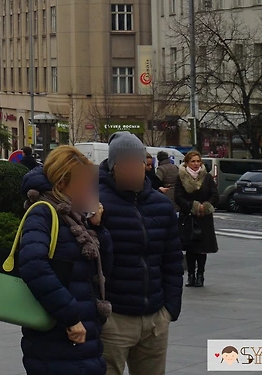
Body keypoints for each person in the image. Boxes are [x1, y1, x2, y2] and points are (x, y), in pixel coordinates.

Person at [16, 145, 112, 375]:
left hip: (81, 338)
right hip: (57, 340)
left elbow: (104, 268)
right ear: (61, 184)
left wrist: (98, 228)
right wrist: (71, 317)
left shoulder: (75, 216)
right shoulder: (43, 213)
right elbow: (33, 265)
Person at [98, 131, 183, 375]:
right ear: (114, 167)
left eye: (139, 163)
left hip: (155, 318)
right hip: (114, 319)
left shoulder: (161, 205)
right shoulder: (96, 203)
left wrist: (169, 309)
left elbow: (173, 260)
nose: (135, 170)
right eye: (127, 164)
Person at [174, 150, 218, 287]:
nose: (196, 164)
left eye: (198, 161)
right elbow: (178, 197)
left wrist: (205, 206)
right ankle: (191, 275)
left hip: (204, 217)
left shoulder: (207, 177)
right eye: (193, 161)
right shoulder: (181, 176)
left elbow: (214, 195)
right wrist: (193, 206)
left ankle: (200, 275)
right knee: (190, 248)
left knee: (202, 249)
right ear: (187, 162)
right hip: (188, 216)